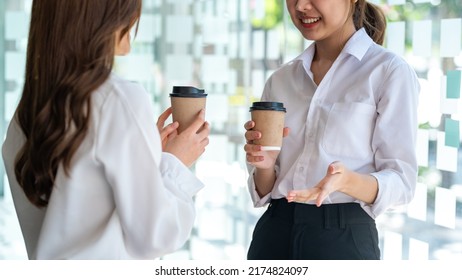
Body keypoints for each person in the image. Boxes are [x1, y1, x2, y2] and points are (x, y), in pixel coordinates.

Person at [2, 0, 210, 260]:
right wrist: (175, 164)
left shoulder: (25, 115)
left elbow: (79, 207)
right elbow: (155, 237)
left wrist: (141, 155)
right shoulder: (118, 99)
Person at [244, 0, 420, 260]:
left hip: (343, 239)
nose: (301, 5)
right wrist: (265, 165)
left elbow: (402, 183)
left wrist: (348, 181)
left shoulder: (388, 71)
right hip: (273, 233)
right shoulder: (281, 79)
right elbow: (265, 189)